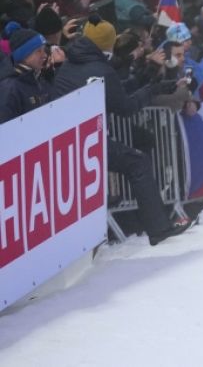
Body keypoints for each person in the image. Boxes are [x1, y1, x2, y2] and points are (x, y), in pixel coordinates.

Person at [52, 17, 192, 245]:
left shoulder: (73, 61)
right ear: (107, 44)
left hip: (69, 139)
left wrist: (149, 84)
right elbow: (125, 107)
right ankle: (158, 228)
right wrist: (150, 91)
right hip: (84, 141)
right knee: (137, 162)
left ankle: (147, 222)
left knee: (133, 161)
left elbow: (114, 92)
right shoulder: (100, 68)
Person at [0, 28, 54, 123]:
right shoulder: (10, 89)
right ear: (23, 55)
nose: (45, 55)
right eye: (38, 51)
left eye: (44, 50)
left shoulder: (39, 77)